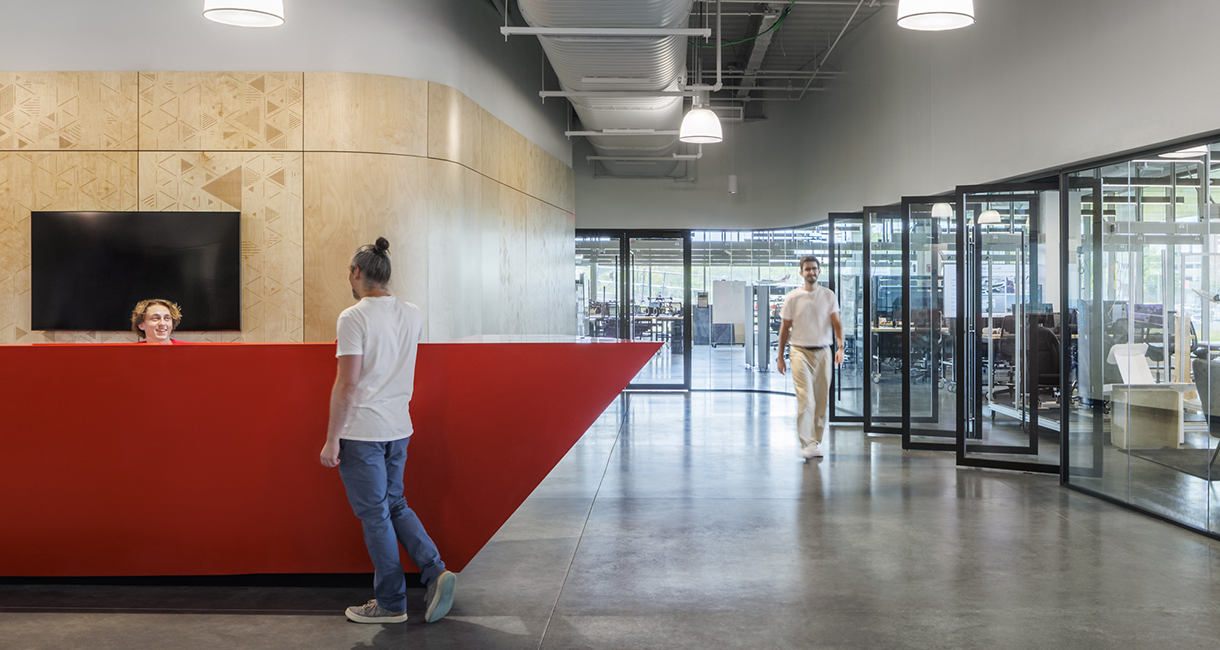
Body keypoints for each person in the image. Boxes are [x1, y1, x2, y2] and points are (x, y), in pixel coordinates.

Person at [318, 237, 456, 624]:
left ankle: (391, 602)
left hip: (362, 430)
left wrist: (332, 439)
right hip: (399, 426)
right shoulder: (412, 313)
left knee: (376, 515)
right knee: (395, 504)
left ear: (357, 273)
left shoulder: (353, 317)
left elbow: (347, 384)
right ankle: (435, 571)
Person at [776, 255, 844, 460]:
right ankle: (806, 442)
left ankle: (815, 442)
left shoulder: (828, 295)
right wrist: (780, 357)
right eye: (807, 269)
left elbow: (837, 324)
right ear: (801, 272)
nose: (811, 272)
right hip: (799, 352)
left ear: (819, 271)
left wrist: (841, 347)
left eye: (814, 268)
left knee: (822, 400)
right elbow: (784, 328)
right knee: (806, 398)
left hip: (823, 351)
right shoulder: (793, 297)